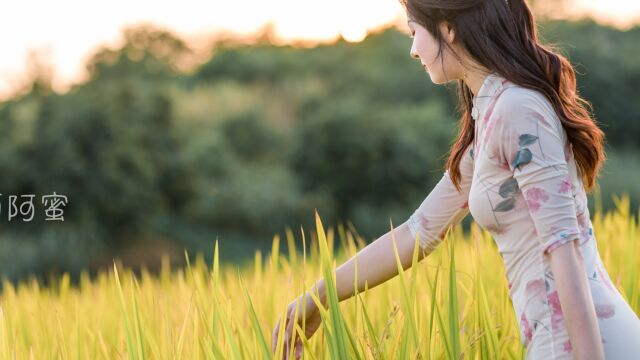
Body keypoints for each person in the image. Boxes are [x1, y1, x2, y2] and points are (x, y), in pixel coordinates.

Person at [271, 0, 640, 359]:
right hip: (560, 339)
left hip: (582, 343)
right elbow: (418, 232)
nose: (414, 50)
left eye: (414, 32)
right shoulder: (494, 117)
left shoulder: (517, 110)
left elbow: (564, 247)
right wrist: (317, 297)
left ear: (448, 29)